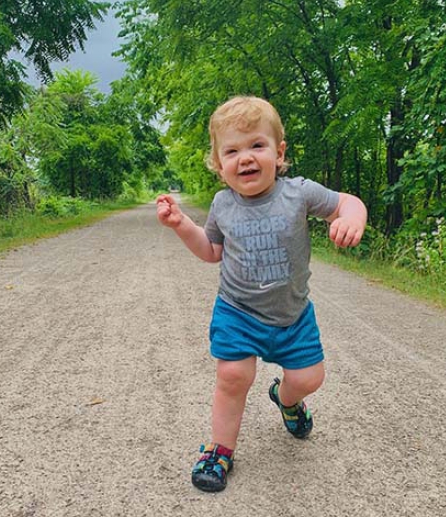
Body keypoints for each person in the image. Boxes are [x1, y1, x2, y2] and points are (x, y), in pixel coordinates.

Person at [156, 96, 367, 492]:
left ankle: (286, 400)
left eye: (257, 145)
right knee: (233, 375)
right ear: (219, 165)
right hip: (238, 311)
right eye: (232, 151)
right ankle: (219, 448)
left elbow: (347, 203)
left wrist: (352, 218)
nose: (246, 158)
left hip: (292, 315)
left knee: (308, 379)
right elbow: (212, 251)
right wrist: (182, 224)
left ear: (279, 152)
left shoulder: (299, 194)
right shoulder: (223, 204)